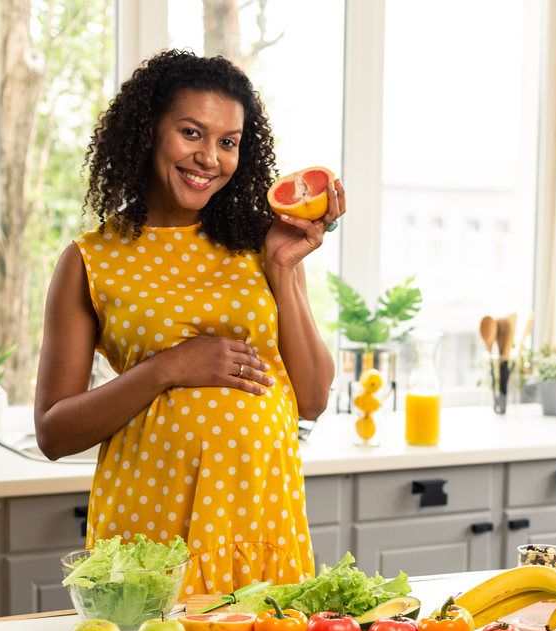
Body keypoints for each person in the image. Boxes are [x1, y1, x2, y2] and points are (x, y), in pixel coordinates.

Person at [34, 50, 340, 598]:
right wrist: (168, 368)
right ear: (149, 130)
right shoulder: (91, 260)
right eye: (191, 133)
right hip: (152, 535)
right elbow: (54, 432)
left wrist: (282, 267)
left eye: (228, 142)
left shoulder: (260, 244)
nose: (209, 158)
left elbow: (313, 398)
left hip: (261, 529)